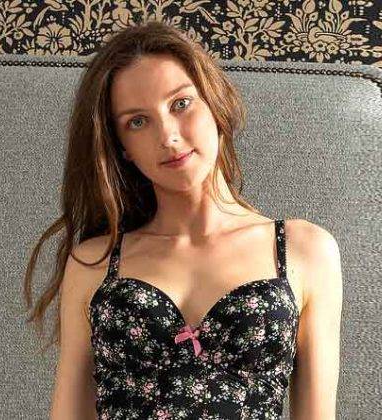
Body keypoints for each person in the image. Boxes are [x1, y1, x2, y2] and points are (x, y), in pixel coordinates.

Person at [24, 19, 343, 420]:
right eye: (137, 121)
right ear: (122, 147)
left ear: (215, 102)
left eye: (180, 104)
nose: (168, 136)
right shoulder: (94, 262)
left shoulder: (304, 249)